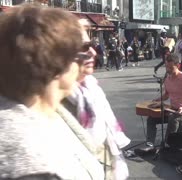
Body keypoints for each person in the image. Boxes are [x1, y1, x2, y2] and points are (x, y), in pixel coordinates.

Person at [0, 4, 104, 179]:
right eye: (82, 48)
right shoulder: (32, 165)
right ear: (56, 63)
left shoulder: (46, 112)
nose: (90, 54)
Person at [62, 19, 130, 180]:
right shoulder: (56, 99)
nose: (93, 52)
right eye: (85, 47)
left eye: (92, 45)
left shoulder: (90, 87)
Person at [138, 54, 182, 152]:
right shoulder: (167, 79)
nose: (168, 69)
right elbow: (167, 95)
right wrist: (157, 101)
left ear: (178, 66)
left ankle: (166, 144)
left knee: (173, 118)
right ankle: (150, 144)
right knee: (151, 119)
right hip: (171, 109)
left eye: (171, 67)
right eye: (166, 67)